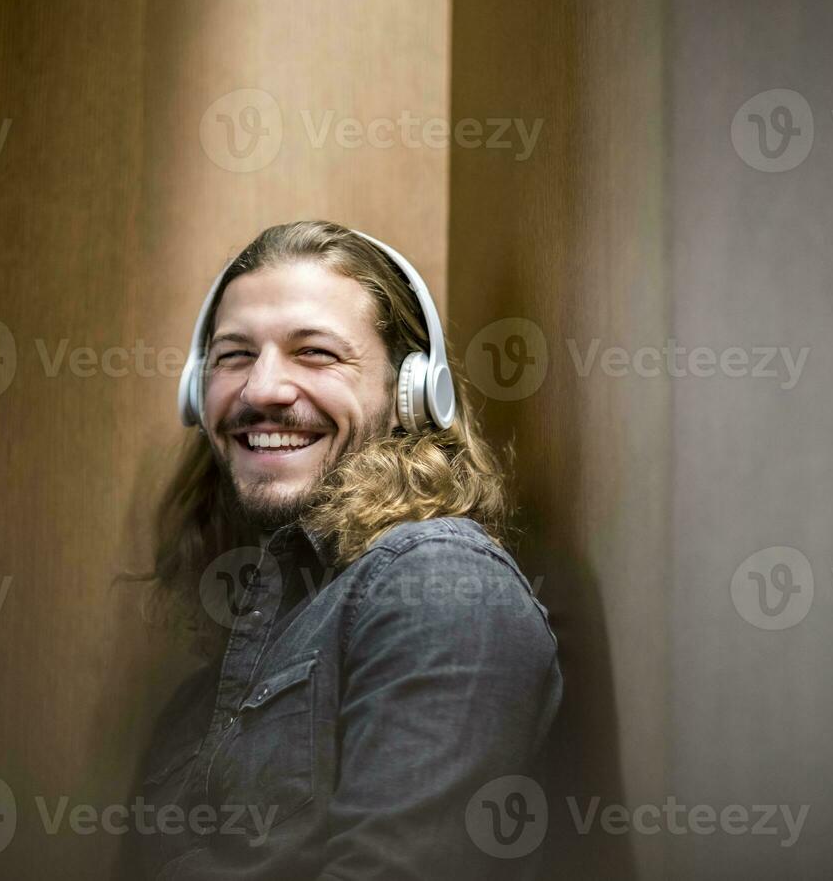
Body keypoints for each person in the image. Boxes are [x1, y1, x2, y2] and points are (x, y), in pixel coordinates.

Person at [119, 219, 561, 880]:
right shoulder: (203, 695)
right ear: (197, 394)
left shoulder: (439, 582)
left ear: (410, 392)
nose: (262, 389)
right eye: (234, 355)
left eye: (315, 353)